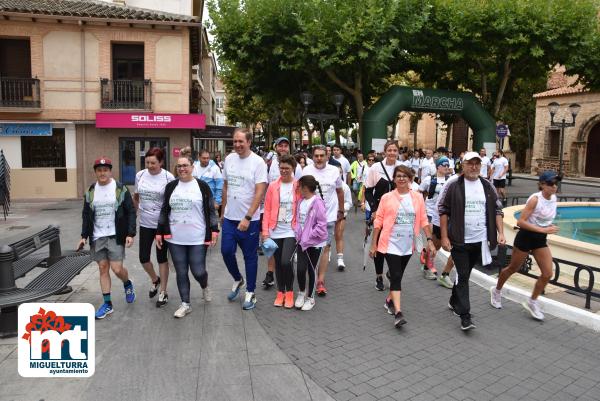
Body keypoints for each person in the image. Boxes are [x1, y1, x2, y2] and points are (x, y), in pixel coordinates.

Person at [439, 151, 505, 331]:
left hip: (480, 240)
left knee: (464, 274)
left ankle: (454, 300)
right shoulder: (453, 184)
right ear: (463, 165)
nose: (474, 167)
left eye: (477, 163)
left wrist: (501, 233)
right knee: (462, 275)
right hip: (459, 240)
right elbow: (443, 210)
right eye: (470, 163)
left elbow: (498, 210)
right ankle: (465, 315)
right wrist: (444, 236)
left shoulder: (487, 185)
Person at [369, 165, 435, 328]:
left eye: (404, 176)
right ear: (394, 179)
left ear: (410, 179)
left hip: (407, 244)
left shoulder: (418, 198)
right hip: (390, 243)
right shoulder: (387, 198)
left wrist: (430, 240)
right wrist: (373, 244)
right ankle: (398, 313)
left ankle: (389, 300)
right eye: (398, 176)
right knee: (397, 276)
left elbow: (423, 220)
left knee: (397, 275)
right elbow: (378, 222)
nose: (401, 178)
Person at [490, 171, 560, 320]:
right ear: (542, 185)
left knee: (547, 273)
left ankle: (532, 301)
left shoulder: (553, 198)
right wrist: (543, 229)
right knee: (513, 268)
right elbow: (520, 222)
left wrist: (548, 227)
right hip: (525, 237)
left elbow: (544, 219)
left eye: (555, 183)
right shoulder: (535, 200)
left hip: (540, 239)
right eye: (550, 184)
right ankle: (496, 290)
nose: (554, 187)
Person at [155, 156, 219, 318]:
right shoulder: (171, 187)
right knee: (181, 272)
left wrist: (214, 230)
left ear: (192, 167)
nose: (182, 169)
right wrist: (159, 232)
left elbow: (211, 210)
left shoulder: (202, 186)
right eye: (179, 166)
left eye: (185, 166)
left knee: (198, 271)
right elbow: (164, 210)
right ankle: (185, 304)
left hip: (197, 237)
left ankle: (204, 285)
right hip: (175, 238)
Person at [78, 157, 136, 319]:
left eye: (105, 170)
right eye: (99, 170)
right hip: (97, 236)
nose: (102, 173)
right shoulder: (91, 191)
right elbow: (85, 215)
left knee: (117, 269)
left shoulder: (120, 189)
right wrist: (83, 236)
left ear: (110, 171)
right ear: (95, 172)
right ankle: (107, 304)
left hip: (115, 235)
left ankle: (127, 283)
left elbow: (131, 211)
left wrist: (130, 233)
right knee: (103, 268)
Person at [221, 128, 268, 310]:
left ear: (249, 142)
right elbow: (226, 186)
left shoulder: (258, 163)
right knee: (226, 251)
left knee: (250, 257)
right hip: (230, 218)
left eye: (241, 141)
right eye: (235, 141)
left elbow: (260, 191)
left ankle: (250, 292)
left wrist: (248, 217)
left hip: (250, 220)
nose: (238, 145)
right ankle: (238, 279)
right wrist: (222, 211)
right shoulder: (229, 159)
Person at [133, 147, 175, 307]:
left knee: (161, 258)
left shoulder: (168, 177)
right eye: (147, 162)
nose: (150, 166)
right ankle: (155, 279)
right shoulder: (140, 175)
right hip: (144, 223)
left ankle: (163, 292)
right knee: (143, 258)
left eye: (153, 163)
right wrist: (133, 216)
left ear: (161, 162)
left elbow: (171, 203)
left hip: (161, 225)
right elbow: (136, 197)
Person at [302, 145, 344, 296]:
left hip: (329, 217)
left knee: (325, 248)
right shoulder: (306, 170)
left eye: (322, 155)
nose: (319, 158)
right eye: (316, 156)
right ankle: (310, 276)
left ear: (327, 156)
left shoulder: (334, 171)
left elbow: (339, 191)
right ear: (312, 157)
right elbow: (300, 192)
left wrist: (341, 210)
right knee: (310, 247)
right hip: (309, 216)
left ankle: (320, 281)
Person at [262, 137, 303, 289]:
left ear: (293, 169)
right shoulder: (273, 186)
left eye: (287, 168)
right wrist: (265, 232)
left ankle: (290, 291)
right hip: (275, 229)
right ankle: (281, 292)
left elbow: (302, 206)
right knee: (278, 263)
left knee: (286, 261)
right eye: (282, 168)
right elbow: (267, 209)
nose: (284, 171)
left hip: (291, 230)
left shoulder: (298, 186)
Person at [364, 140, 402, 291]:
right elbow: (368, 191)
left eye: (395, 150)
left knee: (395, 244)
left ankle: (391, 272)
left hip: (398, 213)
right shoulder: (376, 168)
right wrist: (373, 209)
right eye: (389, 150)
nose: (392, 153)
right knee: (379, 246)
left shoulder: (402, 168)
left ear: (398, 152)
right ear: (384, 152)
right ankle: (379, 276)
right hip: (380, 212)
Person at [294, 175, 328, 311]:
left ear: (306, 187)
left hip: (314, 244)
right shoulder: (301, 201)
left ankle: (310, 298)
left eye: (299, 186)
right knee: (300, 269)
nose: (298, 189)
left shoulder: (318, 203)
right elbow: (298, 220)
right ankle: (301, 293)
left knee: (311, 269)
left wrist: (308, 236)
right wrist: (298, 233)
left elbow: (321, 225)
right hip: (301, 242)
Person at [418, 156, 451, 280]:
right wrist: (421, 208)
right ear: (438, 167)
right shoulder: (429, 179)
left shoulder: (450, 180)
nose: (446, 167)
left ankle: (425, 253)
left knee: (435, 244)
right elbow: (420, 192)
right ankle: (429, 266)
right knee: (432, 239)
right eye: (444, 165)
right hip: (430, 212)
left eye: (448, 165)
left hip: (443, 214)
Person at [193, 149, 223, 213]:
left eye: (208, 158)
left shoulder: (214, 168)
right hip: (196, 199)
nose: (206, 160)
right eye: (204, 158)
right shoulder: (194, 166)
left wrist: (217, 201)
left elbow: (220, 185)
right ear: (199, 157)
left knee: (210, 221)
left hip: (209, 200)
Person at [334, 166, 353, 270]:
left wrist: (340, 210)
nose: (338, 174)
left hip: (341, 215)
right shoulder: (327, 186)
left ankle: (340, 260)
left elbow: (349, 203)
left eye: (339, 172)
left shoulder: (345, 187)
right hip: (327, 216)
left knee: (339, 235)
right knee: (326, 237)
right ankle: (327, 253)